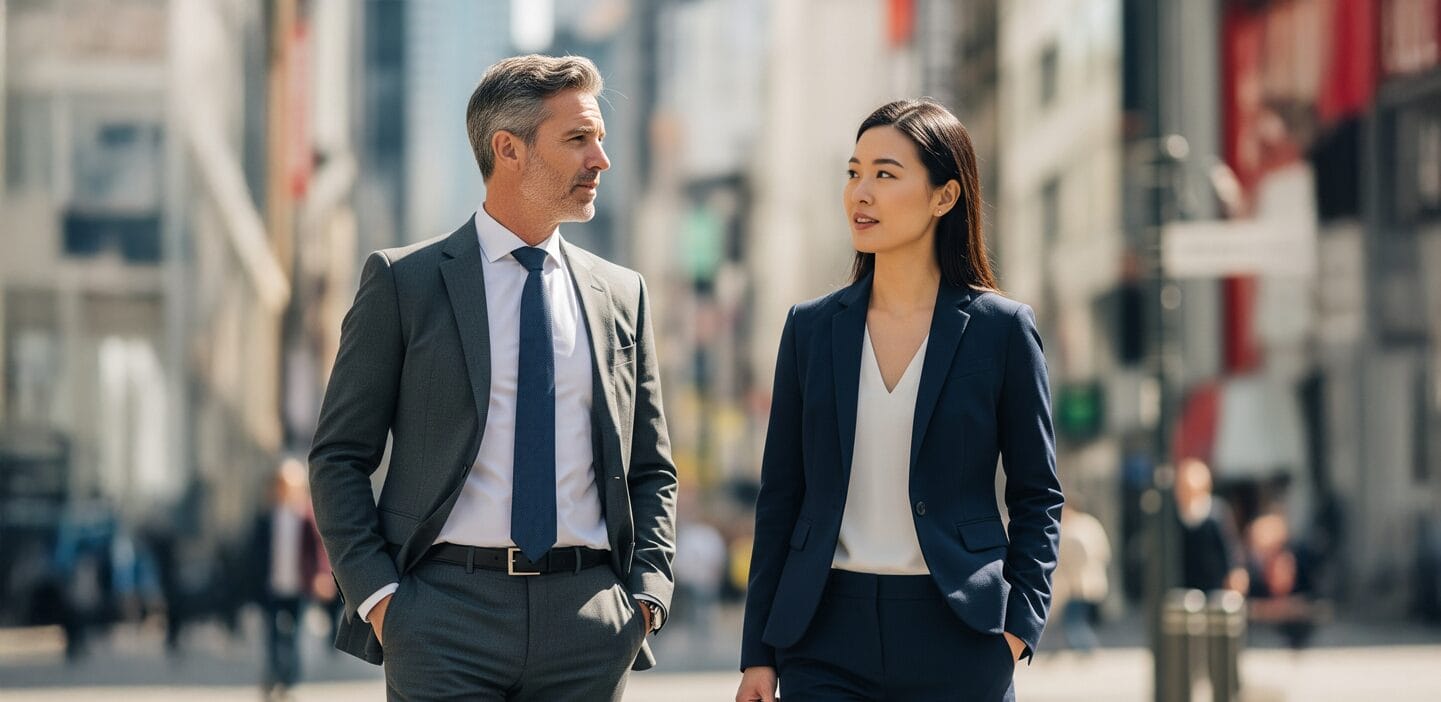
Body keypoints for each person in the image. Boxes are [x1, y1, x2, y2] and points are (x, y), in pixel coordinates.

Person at [309, 54, 678, 702]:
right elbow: (339, 456)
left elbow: (651, 468)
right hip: (443, 619)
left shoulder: (622, 295)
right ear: (507, 149)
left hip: (587, 624)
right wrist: (381, 601)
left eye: (599, 138)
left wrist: (645, 596)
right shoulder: (405, 284)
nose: (600, 159)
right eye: (577, 139)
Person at [736, 99, 1064, 702]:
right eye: (853, 172)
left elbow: (1038, 493)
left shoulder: (1001, 329)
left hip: (958, 629)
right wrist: (758, 652)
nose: (861, 192)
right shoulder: (810, 330)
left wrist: (1019, 627)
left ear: (944, 196)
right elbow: (781, 496)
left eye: (886, 174)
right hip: (824, 633)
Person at [250, 458, 328, 700]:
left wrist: (322, 575)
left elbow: (318, 549)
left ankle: (289, 679)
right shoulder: (266, 518)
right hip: (272, 586)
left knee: (293, 636)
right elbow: (254, 554)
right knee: (272, 634)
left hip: (298, 585)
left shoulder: (305, 517)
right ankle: (273, 675)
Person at [1174, 458, 1247, 594]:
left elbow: (1230, 547)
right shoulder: (1173, 518)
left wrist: (1235, 572)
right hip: (1186, 586)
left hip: (1215, 585)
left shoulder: (1216, 515)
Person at [1053, 502, 1111, 654]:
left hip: (1079, 582)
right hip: (1085, 580)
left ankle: (1088, 648)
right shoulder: (1091, 525)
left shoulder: (1077, 528)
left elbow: (1074, 556)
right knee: (1077, 618)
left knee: (1074, 621)